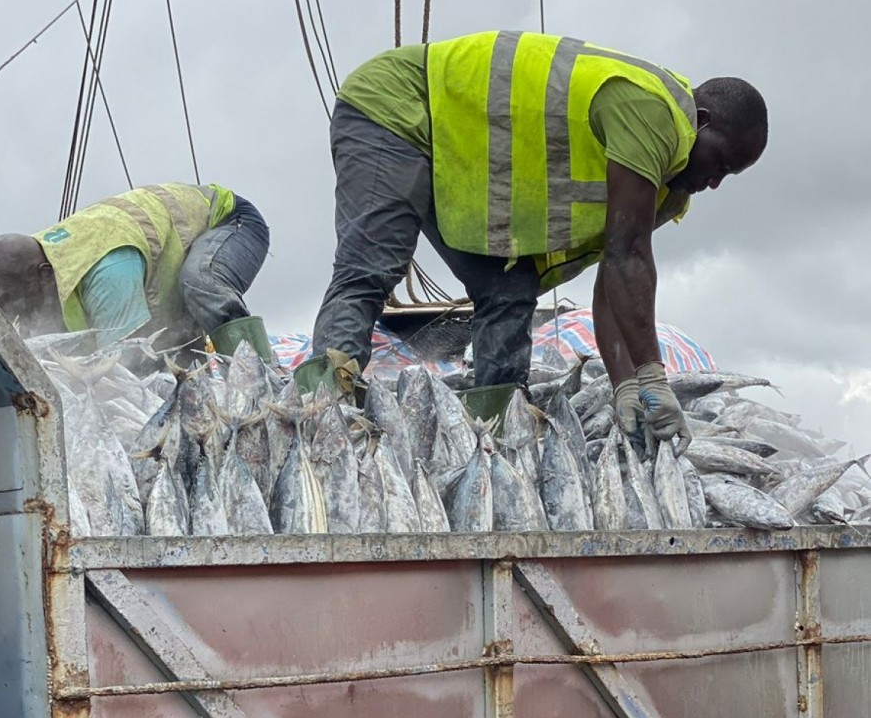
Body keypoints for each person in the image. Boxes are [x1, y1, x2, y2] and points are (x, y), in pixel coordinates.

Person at [310, 31, 768, 446]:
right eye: (722, 162)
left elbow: (615, 277)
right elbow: (628, 254)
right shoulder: (652, 111)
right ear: (701, 121)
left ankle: (492, 435)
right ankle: (323, 411)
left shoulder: (669, 191)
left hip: (460, 152)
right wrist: (652, 376)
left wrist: (626, 383)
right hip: (397, 105)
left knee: (509, 290)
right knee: (373, 265)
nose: (715, 183)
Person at [0, 181, 271, 357]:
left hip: (231, 222)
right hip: (173, 259)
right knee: (174, 353)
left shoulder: (106, 270)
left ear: (42, 274)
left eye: (20, 301)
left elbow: (131, 361)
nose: (24, 314)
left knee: (200, 281)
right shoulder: (48, 267)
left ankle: (259, 377)